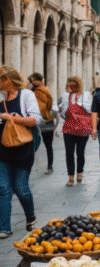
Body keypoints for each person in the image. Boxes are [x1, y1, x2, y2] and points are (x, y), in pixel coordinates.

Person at [0, 67, 40, 238]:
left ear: (9, 80)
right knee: (3, 188)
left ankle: (30, 216)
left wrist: (13, 118)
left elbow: (35, 119)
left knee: (21, 188)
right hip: (2, 149)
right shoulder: (0, 97)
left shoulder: (26, 95)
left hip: (23, 148)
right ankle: (4, 227)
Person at [59, 76, 92, 186]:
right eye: (70, 86)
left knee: (80, 152)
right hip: (69, 128)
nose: (72, 88)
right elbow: (63, 112)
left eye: (74, 86)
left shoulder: (85, 95)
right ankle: (71, 177)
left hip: (82, 128)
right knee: (69, 153)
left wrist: (78, 102)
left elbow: (89, 109)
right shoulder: (65, 96)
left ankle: (79, 172)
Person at [28, 74, 55, 174]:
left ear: (39, 80)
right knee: (46, 145)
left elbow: (42, 107)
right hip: (44, 119)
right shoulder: (36, 90)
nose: (32, 82)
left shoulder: (40, 91)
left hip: (43, 119)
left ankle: (50, 166)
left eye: (33, 80)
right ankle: (49, 166)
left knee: (47, 144)